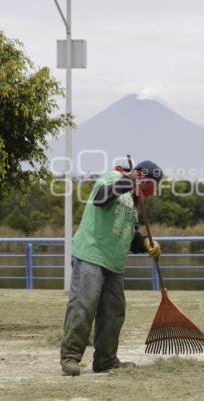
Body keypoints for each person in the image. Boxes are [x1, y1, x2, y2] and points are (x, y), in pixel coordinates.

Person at [60, 160, 163, 376]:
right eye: (148, 186)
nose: (148, 193)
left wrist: (145, 244)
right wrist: (128, 183)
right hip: (91, 253)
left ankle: (105, 360)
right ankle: (70, 357)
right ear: (139, 175)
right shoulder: (112, 178)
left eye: (151, 189)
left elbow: (130, 236)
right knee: (83, 305)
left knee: (114, 312)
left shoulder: (135, 203)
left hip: (114, 263)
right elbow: (100, 198)